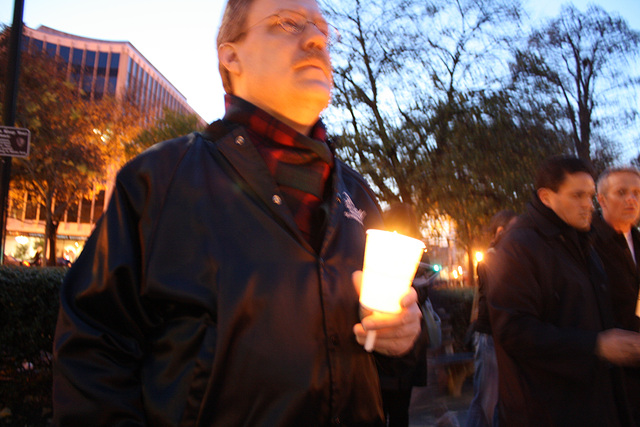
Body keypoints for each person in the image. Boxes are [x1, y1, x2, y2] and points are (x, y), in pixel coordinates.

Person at [51, 0, 422, 425]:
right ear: (231, 57)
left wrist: (404, 337)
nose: (317, 38)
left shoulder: (356, 194)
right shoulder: (162, 180)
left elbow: (382, 365)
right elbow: (92, 351)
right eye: (287, 23)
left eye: (322, 29)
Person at [485, 156, 640, 427]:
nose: (588, 205)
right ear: (546, 197)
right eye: (577, 196)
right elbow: (513, 329)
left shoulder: (580, 240)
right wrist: (598, 345)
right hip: (545, 407)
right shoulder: (520, 246)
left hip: (589, 399)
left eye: (590, 196)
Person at [592, 166, 640, 425]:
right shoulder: (589, 244)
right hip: (610, 374)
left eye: (637, 193)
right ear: (601, 200)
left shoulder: (637, 241)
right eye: (621, 192)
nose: (631, 199)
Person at [377, 202, 429, 427]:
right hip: (408, 352)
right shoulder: (418, 257)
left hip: (380, 350)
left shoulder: (377, 254)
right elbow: (424, 295)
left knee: (378, 411)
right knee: (400, 414)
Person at [465, 210, 517, 427]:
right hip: (489, 335)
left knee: (491, 397)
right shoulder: (492, 258)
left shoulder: (500, 256)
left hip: (496, 334)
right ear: (501, 231)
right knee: (487, 398)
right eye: (515, 230)